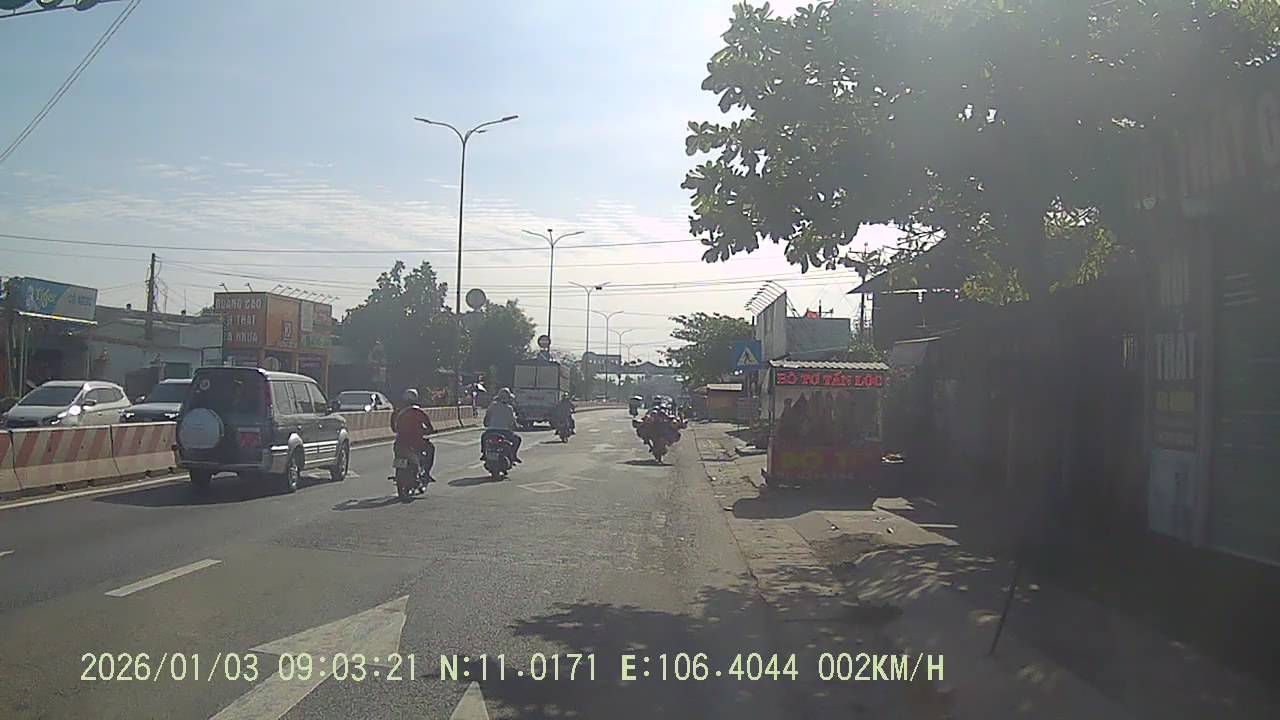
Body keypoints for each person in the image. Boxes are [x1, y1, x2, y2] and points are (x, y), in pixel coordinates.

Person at [391, 388, 436, 483]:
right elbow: (429, 427)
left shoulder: (398, 412)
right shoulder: (418, 411)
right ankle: (426, 473)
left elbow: (394, 428)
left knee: (398, 453)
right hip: (416, 442)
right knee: (431, 448)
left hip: (400, 442)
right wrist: (426, 431)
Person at [482, 387, 523, 463]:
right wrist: (517, 426)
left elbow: (487, 417)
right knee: (517, 439)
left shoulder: (492, 405)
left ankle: (484, 454)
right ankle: (513, 456)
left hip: (491, 431)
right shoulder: (509, 408)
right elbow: (513, 422)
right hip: (505, 432)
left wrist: (487, 424)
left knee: (484, 437)